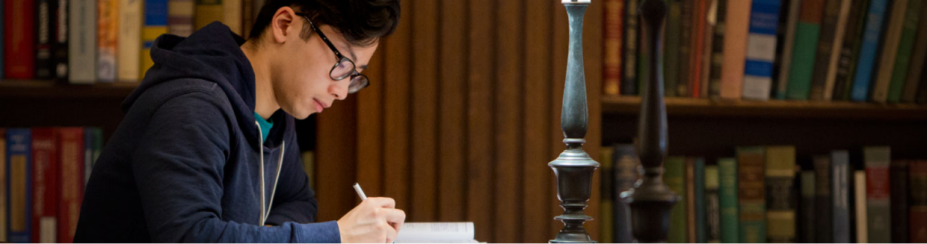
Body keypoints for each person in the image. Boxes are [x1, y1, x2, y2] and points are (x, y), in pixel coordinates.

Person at [74, 0, 404, 242]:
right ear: (285, 24)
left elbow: (298, 200)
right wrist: (336, 236)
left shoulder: (276, 112)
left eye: (355, 76)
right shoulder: (192, 108)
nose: (342, 91)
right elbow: (191, 237)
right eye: (341, 64)